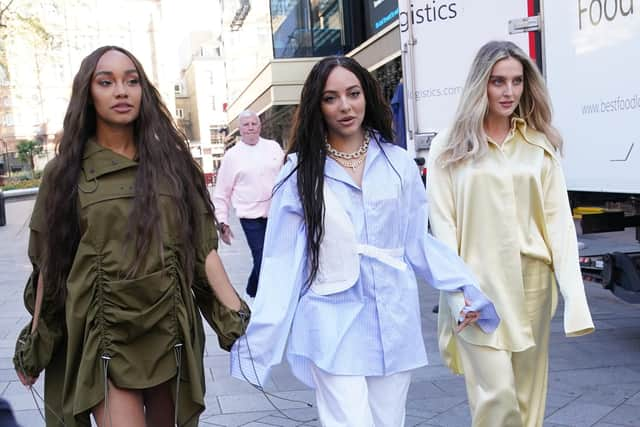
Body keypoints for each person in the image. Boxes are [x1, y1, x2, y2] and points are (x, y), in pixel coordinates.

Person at [230, 55, 500, 426]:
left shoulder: (398, 163)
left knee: (389, 421)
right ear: (317, 106)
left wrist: (463, 287)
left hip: (392, 313)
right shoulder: (299, 171)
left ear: (366, 97)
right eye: (331, 98)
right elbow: (280, 261)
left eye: (353, 93)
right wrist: (260, 336)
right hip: (329, 316)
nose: (345, 106)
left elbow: (416, 242)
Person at [12, 46, 249, 427]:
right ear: (88, 94)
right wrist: (35, 348)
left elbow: (202, 251)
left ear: (144, 91)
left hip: (168, 328)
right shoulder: (65, 173)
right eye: (106, 82)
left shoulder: (173, 164)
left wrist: (236, 321)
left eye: (131, 80)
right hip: (104, 335)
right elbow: (49, 270)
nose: (121, 91)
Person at [427, 40, 595, 427]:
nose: (508, 92)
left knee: (528, 398)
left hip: (534, 286)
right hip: (477, 289)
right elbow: (443, 226)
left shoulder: (539, 145)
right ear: (480, 85)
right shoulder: (449, 147)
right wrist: (457, 294)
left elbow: (558, 225)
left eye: (517, 81)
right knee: (496, 397)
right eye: (498, 81)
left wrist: (574, 295)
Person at [212, 111, 284, 298]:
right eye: (246, 124)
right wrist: (222, 222)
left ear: (260, 126)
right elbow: (221, 193)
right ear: (240, 129)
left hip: (276, 214)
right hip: (250, 216)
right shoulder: (232, 156)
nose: (251, 127)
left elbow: (287, 178)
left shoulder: (274, 147)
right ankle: (251, 295)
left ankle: (263, 296)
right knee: (262, 260)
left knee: (276, 261)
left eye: (254, 123)